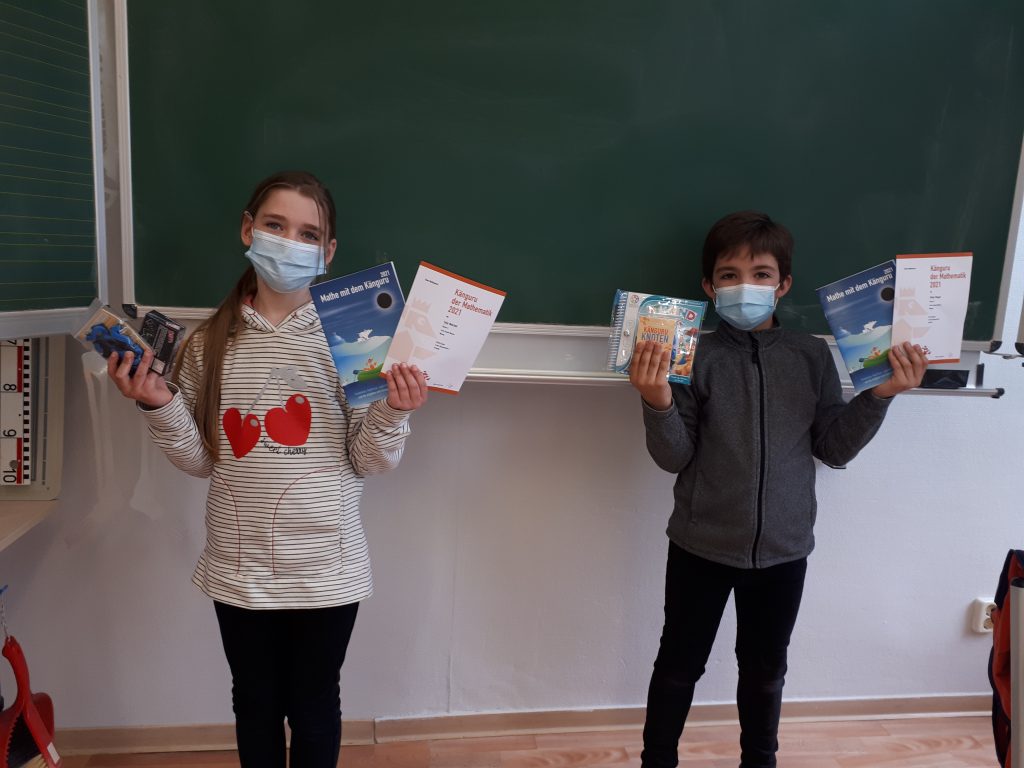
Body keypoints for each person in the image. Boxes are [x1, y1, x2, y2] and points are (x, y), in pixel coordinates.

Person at [109, 170, 428, 768]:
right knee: (254, 703)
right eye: (275, 226)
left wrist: (394, 410)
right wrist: (157, 404)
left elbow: (370, 459)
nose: (289, 242)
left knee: (313, 705)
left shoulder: (356, 337)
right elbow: (201, 460)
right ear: (247, 229)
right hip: (239, 566)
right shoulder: (209, 342)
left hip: (326, 568)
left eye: (308, 234)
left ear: (328, 252)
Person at [628, 211, 926, 768]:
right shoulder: (692, 354)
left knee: (766, 670)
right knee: (679, 665)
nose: (745, 285)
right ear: (709, 286)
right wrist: (657, 399)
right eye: (730, 274)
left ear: (783, 284)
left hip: (785, 549)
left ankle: (760, 760)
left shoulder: (811, 354)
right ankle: (656, 760)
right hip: (700, 544)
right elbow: (673, 457)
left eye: (761, 274)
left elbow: (833, 448)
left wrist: (880, 394)